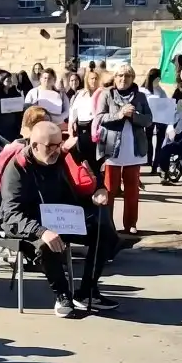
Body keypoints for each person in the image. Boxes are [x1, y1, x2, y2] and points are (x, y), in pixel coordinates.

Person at [0, 121, 118, 317]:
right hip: (28, 224)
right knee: (46, 245)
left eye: (58, 144)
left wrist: (98, 191)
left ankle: (87, 291)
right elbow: (12, 213)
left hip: (59, 217)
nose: (56, 150)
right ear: (35, 145)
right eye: (50, 146)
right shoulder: (17, 168)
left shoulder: (61, 158)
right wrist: (41, 231)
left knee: (103, 232)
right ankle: (62, 295)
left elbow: (85, 180)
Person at [95, 65, 151, 235]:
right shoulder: (107, 94)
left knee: (132, 189)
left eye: (127, 76)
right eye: (120, 75)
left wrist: (134, 116)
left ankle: (130, 223)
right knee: (109, 190)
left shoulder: (140, 96)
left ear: (132, 78)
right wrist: (119, 114)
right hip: (112, 149)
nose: (123, 79)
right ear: (115, 77)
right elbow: (99, 117)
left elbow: (148, 120)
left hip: (134, 149)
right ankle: (108, 225)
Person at [139, 68, 168, 175]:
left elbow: (166, 102)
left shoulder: (160, 90)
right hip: (148, 118)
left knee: (159, 142)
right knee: (148, 140)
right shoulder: (143, 90)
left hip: (160, 119)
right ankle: (149, 160)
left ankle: (156, 164)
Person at [70, 70, 100, 170]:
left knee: (95, 154)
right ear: (87, 80)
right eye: (92, 78)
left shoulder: (102, 93)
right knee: (83, 153)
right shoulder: (81, 94)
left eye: (96, 78)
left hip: (96, 126)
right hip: (82, 125)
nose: (94, 81)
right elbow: (74, 110)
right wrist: (72, 123)